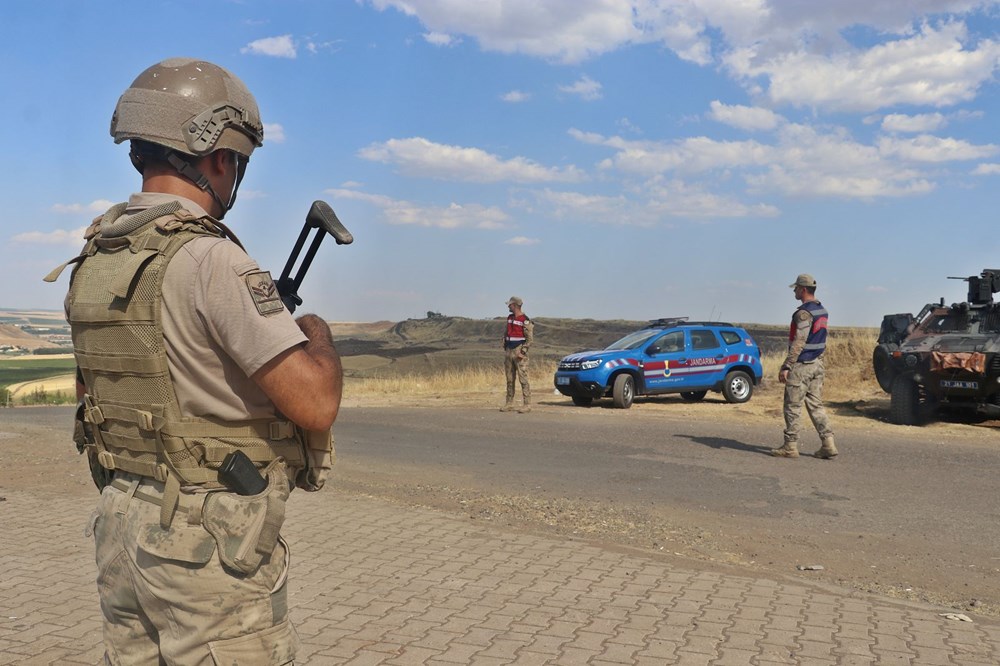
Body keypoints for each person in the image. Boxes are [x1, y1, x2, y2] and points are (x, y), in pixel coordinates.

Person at [45, 58, 342, 664]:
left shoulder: (95, 260)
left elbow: (101, 393)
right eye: (237, 162)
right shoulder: (212, 259)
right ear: (217, 156)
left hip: (124, 523)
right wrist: (314, 332)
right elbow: (314, 403)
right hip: (206, 543)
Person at [771, 274, 837, 459]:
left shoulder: (803, 313)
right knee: (816, 406)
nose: (794, 291)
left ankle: (790, 446)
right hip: (817, 364)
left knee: (792, 406)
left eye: (796, 288)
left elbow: (799, 341)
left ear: (803, 289)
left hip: (802, 365)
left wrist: (786, 365)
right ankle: (828, 443)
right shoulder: (821, 310)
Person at [501, 296, 533, 413]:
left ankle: (527, 404)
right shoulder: (509, 318)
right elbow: (506, 332)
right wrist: (504, 341)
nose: (508, 306)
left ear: (515, 305)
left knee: (523, 379)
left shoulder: (525, 320)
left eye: (510, 304)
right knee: (509, 379)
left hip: (519, 351)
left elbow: (529, 339)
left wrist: (523, 352)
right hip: (509, 351)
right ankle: (509, 403)